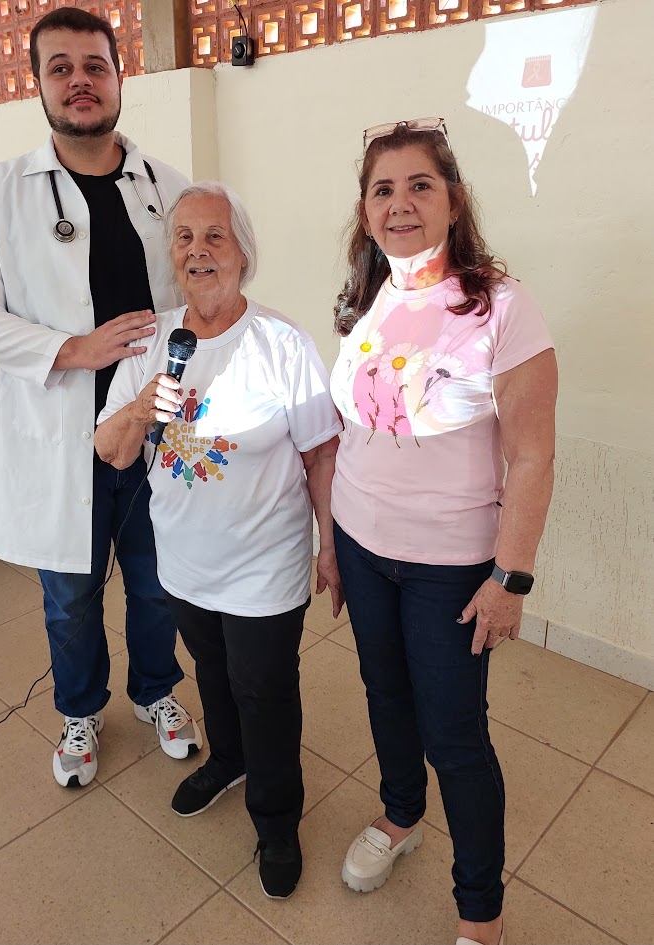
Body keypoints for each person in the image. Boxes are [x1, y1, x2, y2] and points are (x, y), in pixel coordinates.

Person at [0, 8, 200, 789]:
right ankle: (80, 710)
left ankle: (155, 691)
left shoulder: (169, 188)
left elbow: (200, 296)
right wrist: (72, 348)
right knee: (71, 598)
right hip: (63, 439)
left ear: (120, 78)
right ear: (39, 83)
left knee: (159, 587)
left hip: (156, 433)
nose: (79, 81)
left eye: (94, 65)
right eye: (60, 67)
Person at [329, 120, 557, 945]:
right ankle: (399, 816)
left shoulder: (499, 305)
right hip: (359, 542)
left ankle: (478, 912)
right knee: (384, 694)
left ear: (453, 202)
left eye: (419, 185)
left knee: (455, 736)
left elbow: (532, 456)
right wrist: (330, 543)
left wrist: (510, 578)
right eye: (382, 189)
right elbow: (349, 429)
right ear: (365, 210)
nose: (400, 203)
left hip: (449, 567)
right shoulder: (366, 296)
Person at [96, 181, 343, 899]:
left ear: (242, 253)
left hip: (265, 561)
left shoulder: (282, 343)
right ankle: (228, 759)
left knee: (264, 688)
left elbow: (321, 454)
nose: (198, 251)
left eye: (215, 236)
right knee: (210, 667)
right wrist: (141, 409)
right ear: (171, 255)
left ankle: (277, 817)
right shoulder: (152, 343)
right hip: (183, 559)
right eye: (185, 237)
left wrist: (330, 546)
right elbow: (110, 449)